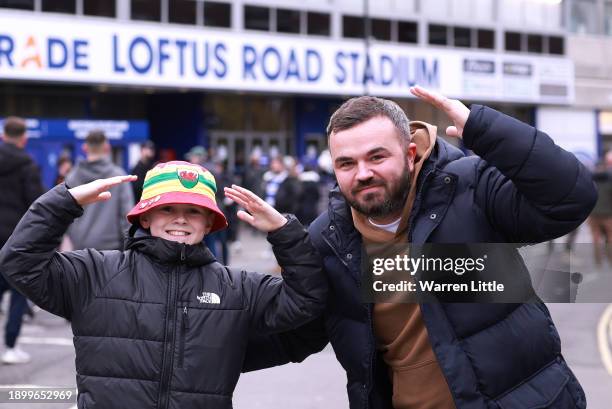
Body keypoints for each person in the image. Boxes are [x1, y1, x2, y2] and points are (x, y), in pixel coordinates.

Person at [244, 87, 596, 409]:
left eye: (377, 157)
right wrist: (196, 345)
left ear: (410, 153)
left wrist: (486, 130)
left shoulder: (469, 186)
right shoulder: (330, 239)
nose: (363, 173)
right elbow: (295, 332)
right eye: (346, 163)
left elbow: (569, 199)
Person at [0, 161, 326, 408]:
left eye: (194, 211)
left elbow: (307, 300)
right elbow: (20, 261)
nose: (180, 219)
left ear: (210, 222)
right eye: (167, 208)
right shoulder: (95, 273)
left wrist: (284, 232)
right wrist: (63, 203)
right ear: (145, 217)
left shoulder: (237, 289)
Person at [0, 116, 45, 364]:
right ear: (24, 138)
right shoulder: (27, 164)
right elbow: (36, 204)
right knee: (18, 291)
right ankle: (9, 347)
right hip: (16, 237)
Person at [65, 130, 134, 250]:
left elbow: (64, 214)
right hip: (111, 252)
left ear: (85, 148)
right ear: (107, 147)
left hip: (80, 251)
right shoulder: (119, 177)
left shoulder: (71, 177)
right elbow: (126, 216)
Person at [588, 150, 612, 266]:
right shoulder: (609, 181)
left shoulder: (591, 182)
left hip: (593, 214)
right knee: (610, 236)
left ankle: (598, 261)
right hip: (607, 214)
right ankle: (610, 258)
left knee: (596, 237)